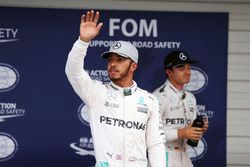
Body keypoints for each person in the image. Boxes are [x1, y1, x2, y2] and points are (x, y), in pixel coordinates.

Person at [65, 10, 166, 167]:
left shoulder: (149, 100)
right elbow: (73, 72)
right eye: (110, 60)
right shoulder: (97, 92)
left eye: (120, 60)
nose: (113, 64)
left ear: (133, 66)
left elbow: (156, 144)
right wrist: (83, 41)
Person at [153, 51, 209, 167]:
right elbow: (151, 133)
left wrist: (200, 129)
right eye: (181, 68)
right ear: (169, 72)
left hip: (185, 155)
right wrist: (181, 133)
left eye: (188, 68)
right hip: (164, 156)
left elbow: (190, 129)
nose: (187, 72)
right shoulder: (158, 96)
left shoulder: (190, 97)